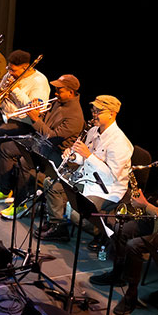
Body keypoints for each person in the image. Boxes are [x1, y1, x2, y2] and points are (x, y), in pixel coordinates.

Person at [89, 137, 158, 315]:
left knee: (134, 246)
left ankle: (131, 296)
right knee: (120, 229)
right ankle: (117, 274)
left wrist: (146, 206)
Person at [0, 74, 85, 220]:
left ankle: (21, 204)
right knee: (6, 148)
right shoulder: (59, 102)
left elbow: (52, 138)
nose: (55, 94)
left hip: (56, 153)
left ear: (71, 92)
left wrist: (35, 118)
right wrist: (36, 107)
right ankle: (6, 191)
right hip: (42, 143)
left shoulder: (75, 116)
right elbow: (46, 123)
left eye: (59, 90)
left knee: (25, 162)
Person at [41, 95, 133, 242]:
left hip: (106, 188)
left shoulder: (120, 143)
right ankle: (57, 225)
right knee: (51, 183)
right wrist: (73, 157)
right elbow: (83, 159)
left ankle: (104, 232)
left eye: (98, 111)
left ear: (112, 113)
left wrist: (88, 155)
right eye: (93, 110)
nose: (94, 114)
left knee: (77, 216)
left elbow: (111, 177)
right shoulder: (93, 131)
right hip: (86, 179)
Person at [0, 51, 50, 205]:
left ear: (25, 68)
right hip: (4, 112)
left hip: (24, 122)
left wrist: (15, 90)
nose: (9, 72)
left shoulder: (39, 82)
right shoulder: (11, 74)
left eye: (13, 70)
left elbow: (33, 110)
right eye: (8, 69)